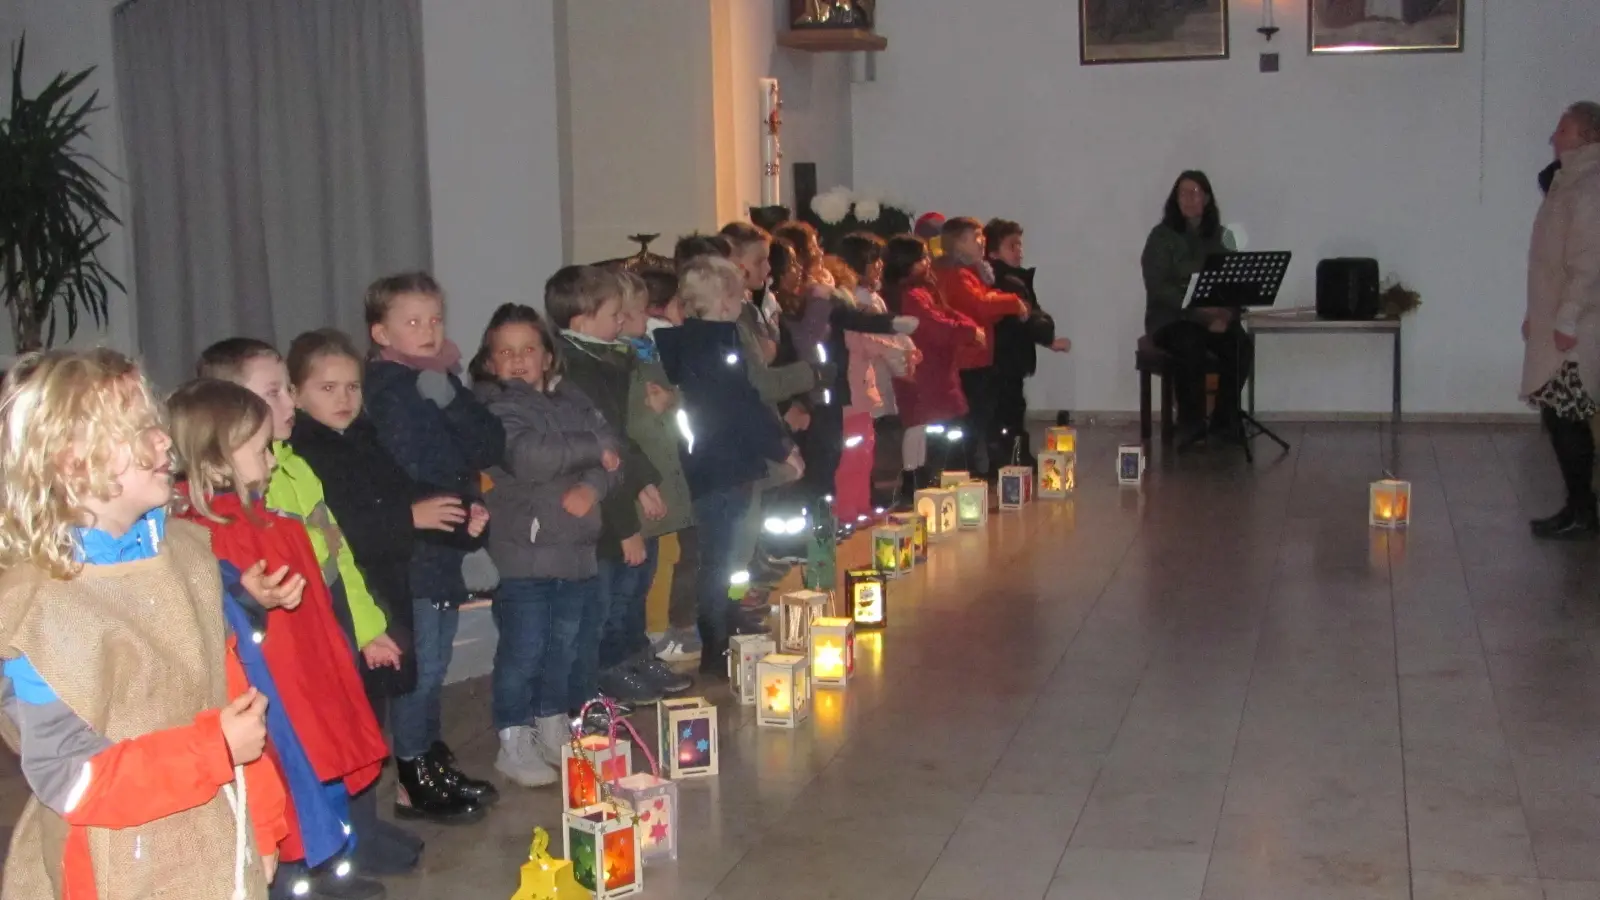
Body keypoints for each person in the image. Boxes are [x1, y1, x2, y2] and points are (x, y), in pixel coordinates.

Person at [0, 349, 288, 900]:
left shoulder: (184, 554)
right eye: (136, 431)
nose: (164, 443)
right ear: (70, 460)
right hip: (116, 865)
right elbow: (71, 778)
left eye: (155, 425)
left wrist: (265, 822)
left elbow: (232, 701)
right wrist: (214, 750)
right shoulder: (41, 605)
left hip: (217, 836)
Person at [198, 337, 424, 878]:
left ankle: (355, 835)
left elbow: (338, 553)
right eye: (272, 393)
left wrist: (367, 627)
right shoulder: (249, 489)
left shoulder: (294, 466)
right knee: (303, 745)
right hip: (285, 640)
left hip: (328, 617)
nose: (289, 405)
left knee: (349, 728)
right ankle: (321, 855)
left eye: (285, 392)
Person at [168, 378, 393, 900]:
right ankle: (294, 882)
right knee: (289, 795)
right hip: (274, 699)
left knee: (322, 784)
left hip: (309, 683)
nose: (272, 462)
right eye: (260, 450)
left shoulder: (277, 524)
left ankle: (328, 870)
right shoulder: (202, 538)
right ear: (217, 460)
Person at [284, 328, 490, 825]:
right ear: (296, 394)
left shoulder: (362, 436)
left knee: (418, 679)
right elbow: (338, 530)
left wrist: (461, 516)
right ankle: (392, 792)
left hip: (387, 586)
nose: (344, 398)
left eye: (352, 386)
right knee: (370, 702)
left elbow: (404, 492)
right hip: (353, 598)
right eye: (327, 388)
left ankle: (420, 767)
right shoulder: (305, 452)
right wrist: (409, 518)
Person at [362, 272, 503, 820]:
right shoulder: (386, 389)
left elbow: (488, 441)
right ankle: (412, 773)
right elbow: (423, 463)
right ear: (381, 332)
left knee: (437, 658)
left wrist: (449, 399)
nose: (427, 331)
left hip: (444, 543)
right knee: (420, 666)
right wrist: (460, 481)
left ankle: (429, 755)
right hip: (415, 548)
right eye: (412, 322)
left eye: (435, 319)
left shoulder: (441, 377)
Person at [470, 304, 620, 787]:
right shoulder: (495, 409)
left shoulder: (571, 400)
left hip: (575, 549)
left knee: (566, 645)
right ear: (490, 362)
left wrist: (593, 486)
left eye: (528, 349)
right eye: (505, 352)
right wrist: (591, 446)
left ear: (548, 357)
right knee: (524, 647)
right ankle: (513, 736)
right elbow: (530, 457)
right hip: (524, 553)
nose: (518, 360)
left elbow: (612, 456)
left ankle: (552, 721)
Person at [545, 265, 688, 704]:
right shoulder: (582, 371)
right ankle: (607, 672)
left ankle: (630, 656)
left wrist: (644, 479)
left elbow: (623, 440)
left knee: (631, 589)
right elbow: (608, 445)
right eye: (615, 314)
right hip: (604, 506)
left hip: (622, 489)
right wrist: (627, 521)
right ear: (584, 319)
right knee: (608, 600)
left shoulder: (607, 361)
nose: (622, 323)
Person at [655, 256, 802, 676]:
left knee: (732, 555)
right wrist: (780, 448)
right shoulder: (716, 345)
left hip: (722, 463)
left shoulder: (698, 341)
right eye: (738, 295)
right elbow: (741, 406)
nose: (743, 302)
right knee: (722, 557)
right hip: (723, 465)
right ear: (723, 303)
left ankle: (729, 619)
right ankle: (716, 640)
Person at [1521, 101, 1600, 539]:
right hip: (1561, 321)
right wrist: (1537, 315)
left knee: (1567, 414)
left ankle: (1582, 509)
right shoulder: (1568, 182)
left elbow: (1589, 265)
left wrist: (1566, 321)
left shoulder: (1591, 186)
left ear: (1588, 136)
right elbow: (1549, 262)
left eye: (1563, 130)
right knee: (1558, 414)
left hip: (1580, 326)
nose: (1554, 137)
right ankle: (1581, 505)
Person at [615, 270, 702, 663]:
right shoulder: (624, 361)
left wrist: (672, 399)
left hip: (664, 463)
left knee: (660, 557)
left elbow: (670, 398)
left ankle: (653, 632)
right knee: (640, 569)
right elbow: (632, 421)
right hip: (645, 472)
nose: (640, 316)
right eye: (633, 310)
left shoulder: (647, 351)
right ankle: (649, 634)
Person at [1141, 170, 1245, 444]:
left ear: (1207, 198)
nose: (1188, 198)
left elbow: (1235, 283)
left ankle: (1224, 420)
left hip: (1213, 318)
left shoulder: (1223, 237)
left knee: (1239, 344)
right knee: (1190, 341)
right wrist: (1202, 314)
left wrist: (1228, 314)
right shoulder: (1161, 237)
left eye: (1195, 192)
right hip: (1171, 320)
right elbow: (1159, 288)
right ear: (1174, 200)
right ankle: (1191, 421)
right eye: (1182, 193)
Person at [881, 236, 985, 490]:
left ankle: (931, 480)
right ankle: (926, 483)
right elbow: (936, 327)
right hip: (926, 376)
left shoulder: (922, 290)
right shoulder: (911, 295)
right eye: (923, 257)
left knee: (935, 432)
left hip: (935, 374)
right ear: (908, 264)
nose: (929, 262)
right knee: (933, 434)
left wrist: (967, 327)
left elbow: (946, 314)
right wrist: (969, 332)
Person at [935, 217, 1030, 479]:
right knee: (972, 420)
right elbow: (980, 305)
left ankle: (975, 467)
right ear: (958, 242)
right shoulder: (954, 274)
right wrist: (1013, 302)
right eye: (975, 237)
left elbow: (987, 308)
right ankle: (966, 470)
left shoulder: (970, 272)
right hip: (967, 360)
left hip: (977, 357)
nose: (982, 242)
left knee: (981, 417)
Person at [840, 232, 920, 508]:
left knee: (880, 435)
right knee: (874, 440)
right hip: (867, 379)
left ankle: (879, 493)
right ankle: (874, 496)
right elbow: (875, 339)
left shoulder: (873, 297)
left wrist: (906, 349)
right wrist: (900, 353)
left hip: (879, 379)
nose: (879, 268)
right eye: (874, 262)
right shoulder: (855, 301)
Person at [984, 219, 1070, 467]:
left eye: (1020, 245)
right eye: (1012, 246)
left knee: (1011, 407)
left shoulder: (1013, 279)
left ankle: (1012, 456)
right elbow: (1028, 318)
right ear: (993, 252)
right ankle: (1013, 458)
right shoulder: (1007, 282)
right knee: (1008, 410)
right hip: (1004, 357)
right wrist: (1046, 332)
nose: (1019, 251)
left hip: (1009, 357)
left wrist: (1047, 335)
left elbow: (1031, 314)